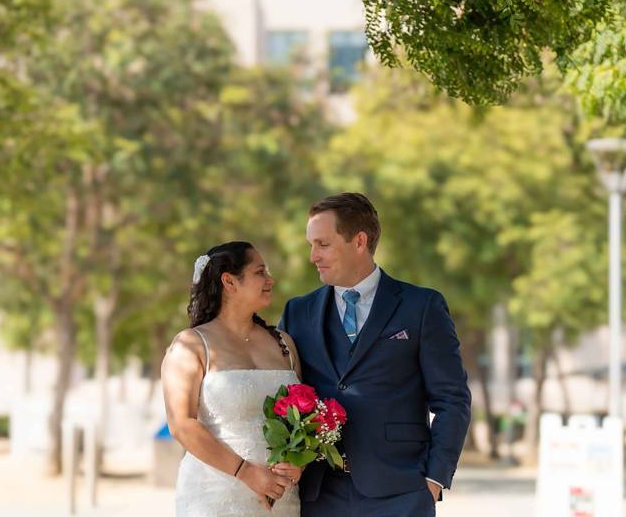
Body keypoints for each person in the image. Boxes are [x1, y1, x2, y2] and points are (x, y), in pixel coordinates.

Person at [279, 193, 471, 517]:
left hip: (400, 492)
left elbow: (452, 399)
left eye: (323, 244)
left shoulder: (421, 306)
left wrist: (434, 478)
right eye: (311, 245)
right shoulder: (298, 312)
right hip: (319, 494)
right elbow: (284, 392)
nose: (313, 256)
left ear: (359, 241)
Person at [163, 241, 304, 516]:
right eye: (260, 272)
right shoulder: (191, 345)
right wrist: (246, 472)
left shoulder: (284, 343)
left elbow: (303, 419)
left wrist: (300, 463)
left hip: (281, 498)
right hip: (215, 494)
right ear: (229, 281)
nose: (270, 280)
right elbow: (181, 424)